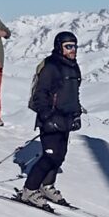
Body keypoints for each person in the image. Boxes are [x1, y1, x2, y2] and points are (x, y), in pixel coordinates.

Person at [19, 31, 83, 207]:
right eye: (68, 46)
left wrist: (76, 114)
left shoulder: (73, 66)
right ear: (59, 47)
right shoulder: (51, 67)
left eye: (74, 46)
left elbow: (73, 93)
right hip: (51, 119)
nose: (73, 50)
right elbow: (41, 94)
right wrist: (46, 116)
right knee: (50, 156)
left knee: (60, 156)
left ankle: (46, 186)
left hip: (66, 119)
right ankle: (29, 190)